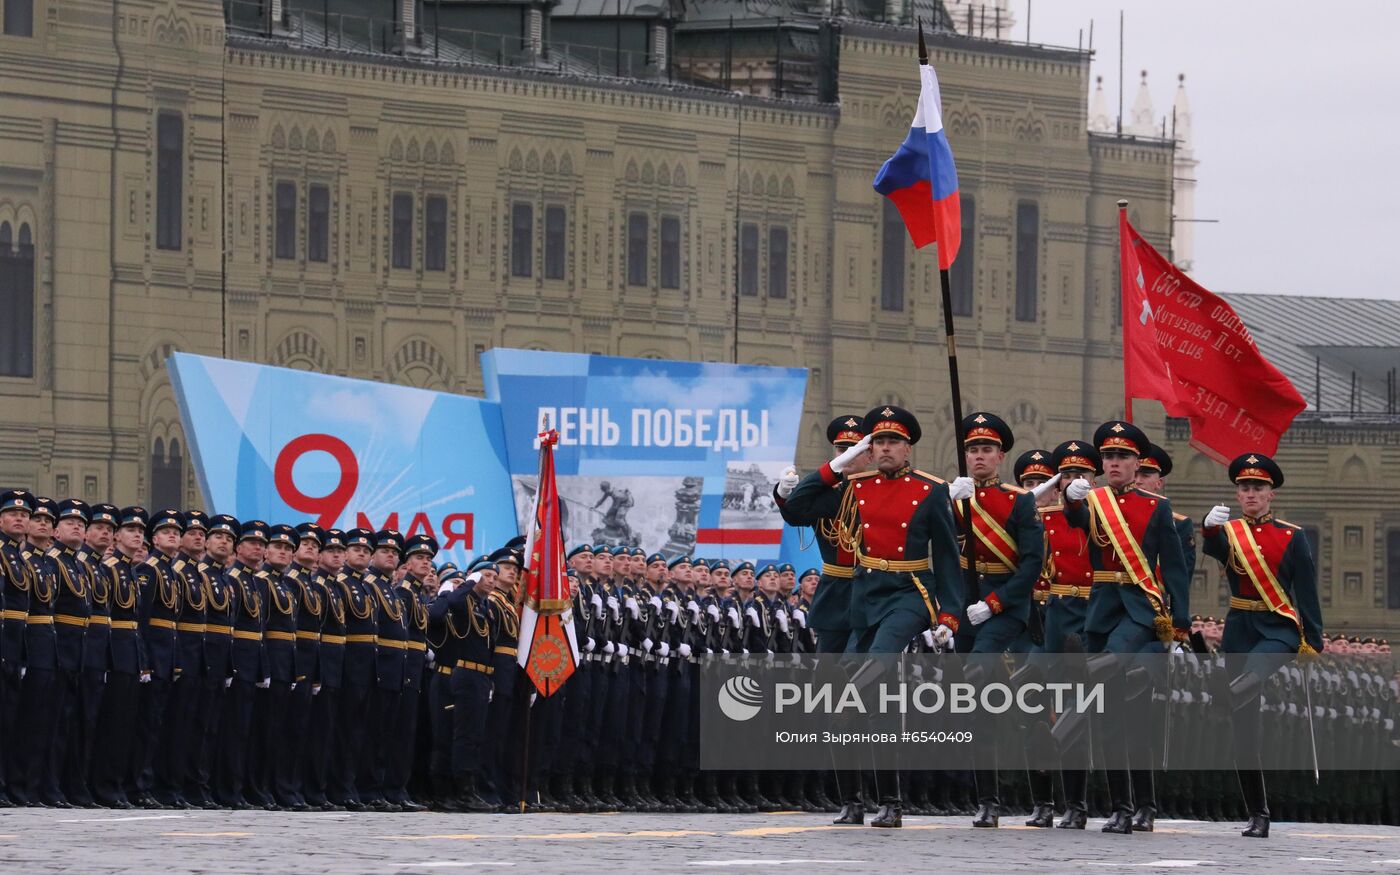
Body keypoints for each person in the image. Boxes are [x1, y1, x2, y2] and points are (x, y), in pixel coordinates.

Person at [783, 405, 963, 828]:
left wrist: (949, 615)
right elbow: (796, 510)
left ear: (907, 448)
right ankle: (860, 802)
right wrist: (833, 467)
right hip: (864, 595)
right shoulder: (854, 486)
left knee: (876, 663)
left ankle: (891, 802)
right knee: (859, 702)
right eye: (878, 442)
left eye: (893, 442)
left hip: (910, 593)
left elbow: (950, 559)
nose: (885, 449)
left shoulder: (930, 489)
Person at [1062, 420, 1190, 834]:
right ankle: (1128, 807)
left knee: (1104, 672)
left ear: (1138, 464)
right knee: (1117, 718)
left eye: (1123, 457)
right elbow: (1075, 521)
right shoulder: (1093, 501)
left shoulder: (1156, 508)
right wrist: (1071, 499)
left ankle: (1143, 805)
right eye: (1109, 457)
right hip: (1101, 609)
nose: (1114, 462)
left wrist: (1181, 625)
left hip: (1140, 612)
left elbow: (1173, 568)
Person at [1201, 452, 1323, 839]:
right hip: (1240, 624)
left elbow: (1306, 592)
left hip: (1279, 627)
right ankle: (1258, 812)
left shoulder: (1292, 535)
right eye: (1244, 487)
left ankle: (1225, 692)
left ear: (1271, 493)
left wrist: (1314, 640)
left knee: (1257, 668)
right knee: (1244, 728)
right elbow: (1215, 551)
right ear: (1238, 494)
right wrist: (1207, 529)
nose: (1250, 493)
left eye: (1258, 487)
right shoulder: (1230, 532)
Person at [946, 413, 1045, 828]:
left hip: (1008, 610)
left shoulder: (1018, 501)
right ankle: (988, 801)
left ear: (1000, 456)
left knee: (992, 682)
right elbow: (940, 552)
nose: (979, 456)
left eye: (987, 449)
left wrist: (997, 603)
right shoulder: (952, 497)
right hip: (968, 609)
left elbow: (1031, 563)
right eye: (972, 449)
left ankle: (1043, 798)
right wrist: (948, 505)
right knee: (977, 709)